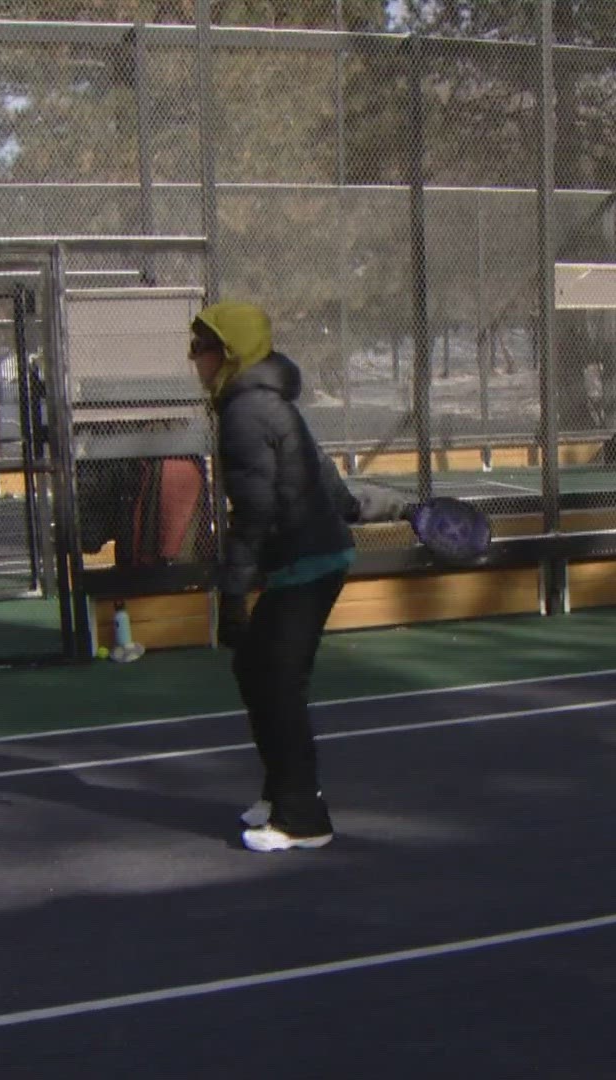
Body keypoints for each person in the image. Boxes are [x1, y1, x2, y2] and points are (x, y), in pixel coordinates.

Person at [190, 301, 360, 853]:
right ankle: (278, 793)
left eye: (201, 346)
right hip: (310, 556)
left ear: (229, 352)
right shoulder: (263, 403)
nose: (193, 357)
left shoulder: (245, 412)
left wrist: (234, 598)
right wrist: (357, 509)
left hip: (304, 564)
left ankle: (303, 819)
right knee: (256, 669)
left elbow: (255, 512)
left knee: (279, 683)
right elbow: (324, 478)